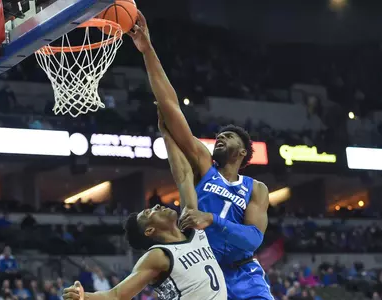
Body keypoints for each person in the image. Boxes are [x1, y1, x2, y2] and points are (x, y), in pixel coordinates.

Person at [129, 11, 272, 299]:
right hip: (204, 272)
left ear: (242, 152)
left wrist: (212, 219)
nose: (221, 137)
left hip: (243, 275)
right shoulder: (204, 166)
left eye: (229, 137)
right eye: (219, 136)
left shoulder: (256, 189)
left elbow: (252, 240)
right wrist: (147, 50)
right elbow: (171, 107)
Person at [63, 110, 226, 300]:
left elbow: (183, 177)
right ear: (149, 231)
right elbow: (116, 295)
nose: (156, 206)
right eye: (149, 213)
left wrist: (167, 135)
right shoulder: (158, 256)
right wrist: (84, 297)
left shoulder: (193, 225)